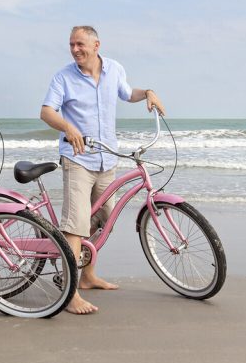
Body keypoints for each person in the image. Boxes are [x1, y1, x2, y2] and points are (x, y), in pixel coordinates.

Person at [40, 25, 165, 315]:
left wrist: (148, 92)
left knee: (104, 219)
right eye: (71, 45)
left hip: (106, 159)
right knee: (75, 225)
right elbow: (46, 111)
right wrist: (68, 127)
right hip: (78, 159)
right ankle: (69, 294)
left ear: (97, 45)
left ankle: (88, 275)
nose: (75, 50)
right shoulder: (63, 77)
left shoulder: (114, 69)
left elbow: (127, 93)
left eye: (80, 44)